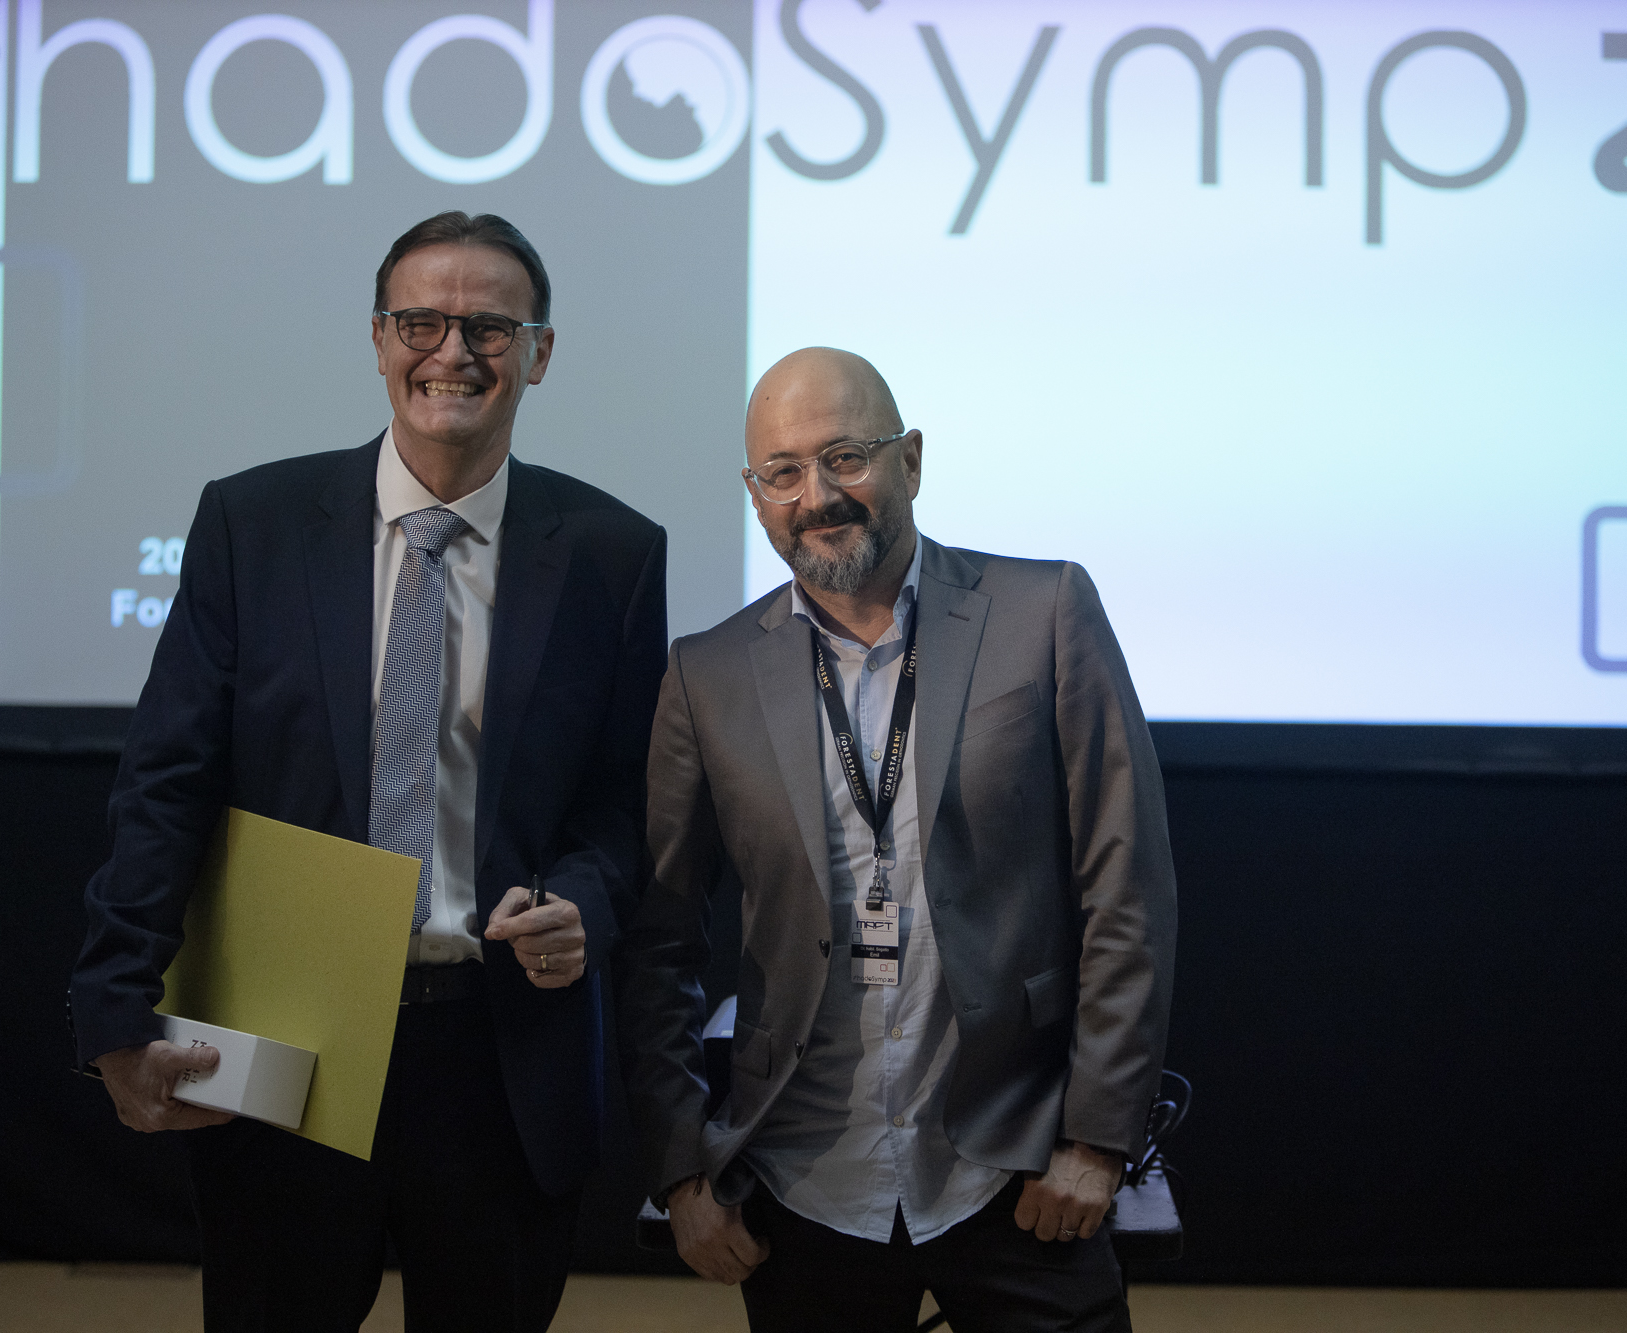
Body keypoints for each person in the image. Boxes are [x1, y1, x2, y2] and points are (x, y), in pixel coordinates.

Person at [69, 212, 668, 1332]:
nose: (454, 352)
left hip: (499, 1053)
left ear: (538, 353)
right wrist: (114, 1005)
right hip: (286, 1040)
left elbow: (624, 805)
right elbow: (166, 782)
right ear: (380, 339)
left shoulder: (613, 553)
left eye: (489, 328)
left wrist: (582, 901)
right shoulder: (253, 523)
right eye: (422, 322)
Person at [615, 348, 1176, 1332]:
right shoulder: (707, 674)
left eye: (846, 456)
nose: (817, 495)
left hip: (1019, 1160)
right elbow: (656, 941)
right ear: (755, 494)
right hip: (802, 1176)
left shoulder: (1044, 612)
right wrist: (682, 1171)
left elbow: (1125, 888)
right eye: (782, 472)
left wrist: (1097, 1138)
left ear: (909, 460)